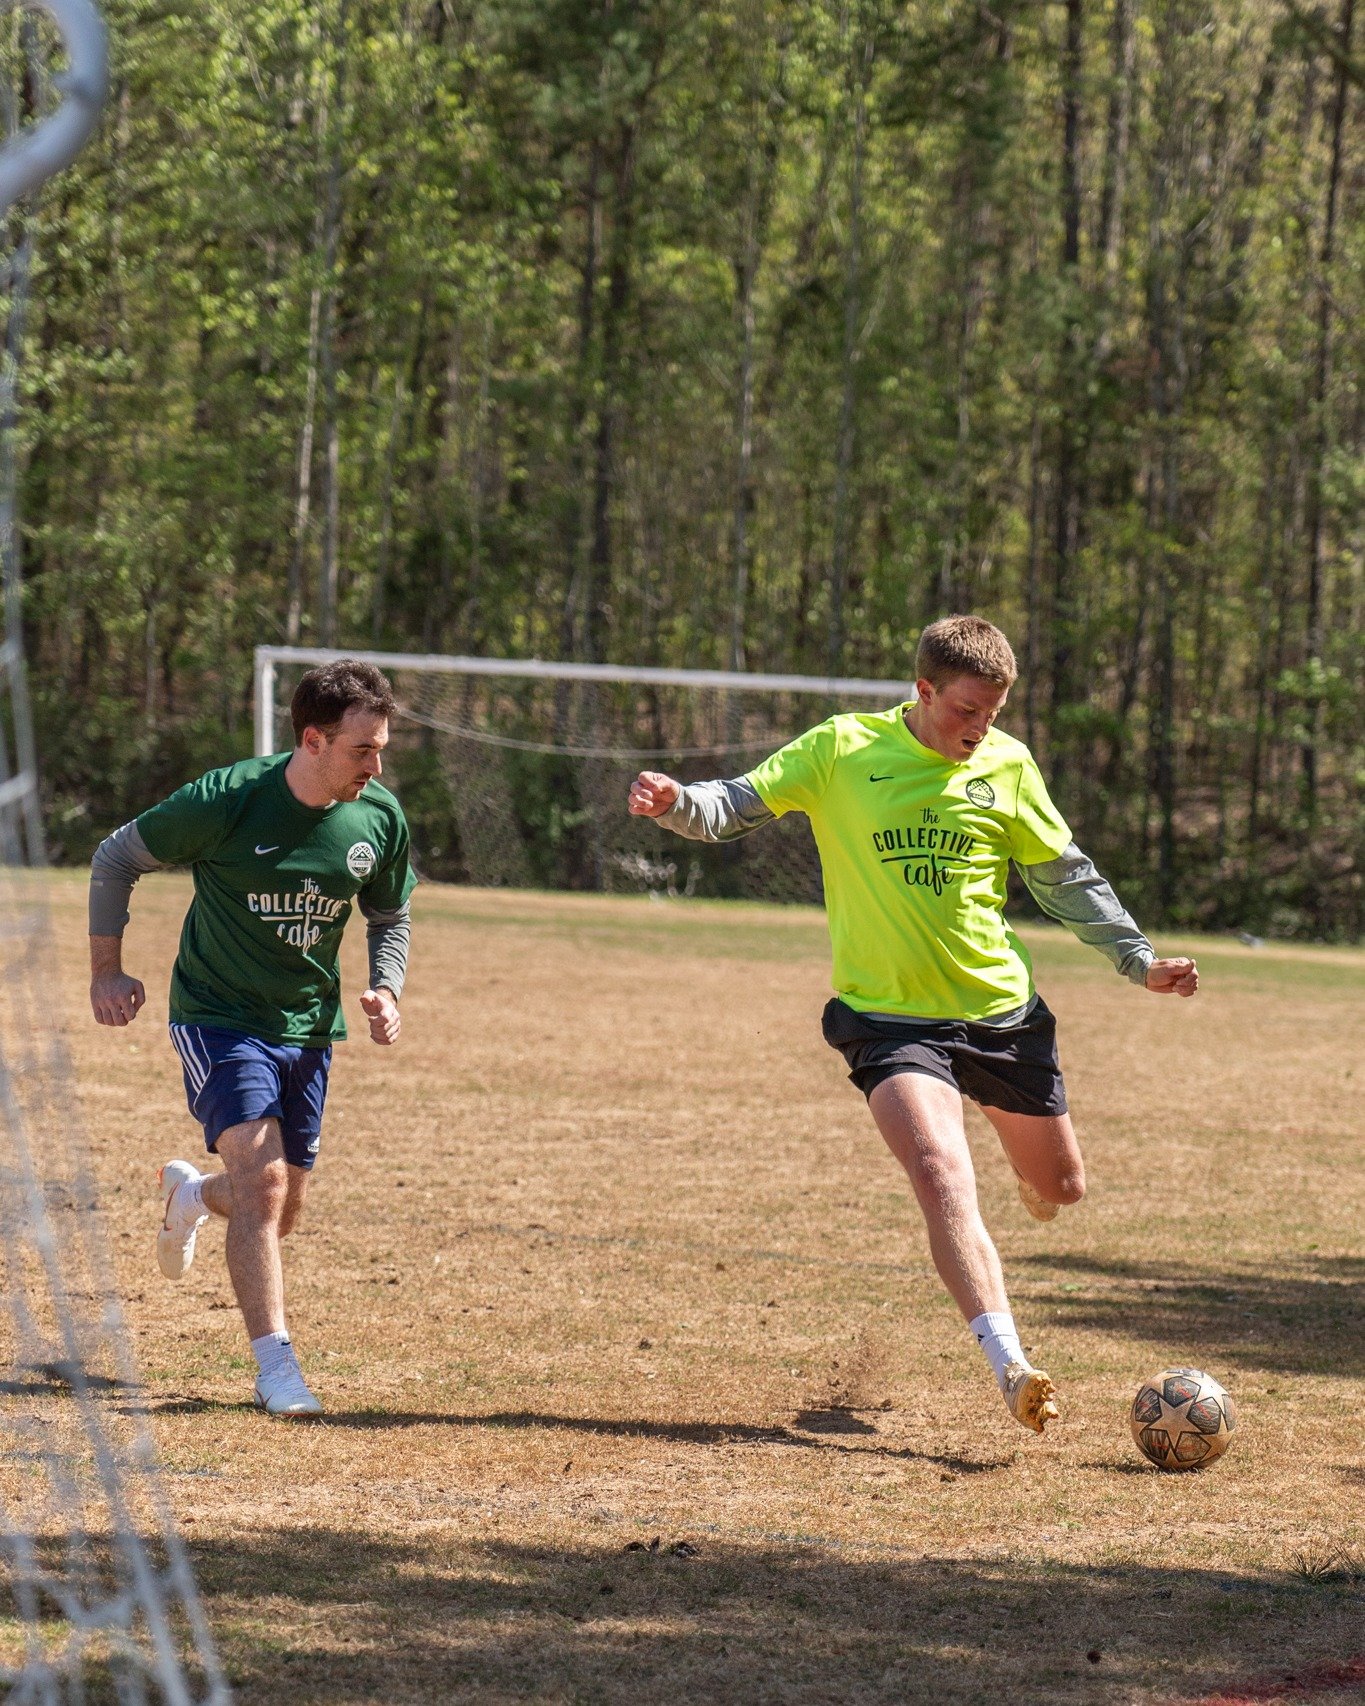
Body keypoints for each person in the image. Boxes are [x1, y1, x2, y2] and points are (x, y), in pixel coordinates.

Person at [629, 615, 1198, 1434]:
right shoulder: (840, 749)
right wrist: (676, 802)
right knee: (937, 1171)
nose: (979, 729)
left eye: (992, 715)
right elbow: (735, 804)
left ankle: (1030, 1177)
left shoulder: (1007, 765)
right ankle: (1011, 1366)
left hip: (1001, 1016)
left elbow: (1064, 877)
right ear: (922, 690)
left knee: (1060, 1189)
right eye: (965, 710)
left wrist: (1137, 960)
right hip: (887, 1019)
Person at [88, 659, 416, 1417]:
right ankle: (277, 1369)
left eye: (382, 749)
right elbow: (116, 857)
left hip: (306, 1027)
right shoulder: (228, 799)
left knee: (278, 1207)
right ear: (312, 738)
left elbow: (389, 913)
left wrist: (386, 987)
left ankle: (193, 1195)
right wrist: (108, 972)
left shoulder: (378, 818)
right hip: (217, 1014)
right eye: (363, 750)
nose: (376, 765)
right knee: (264, 1188)